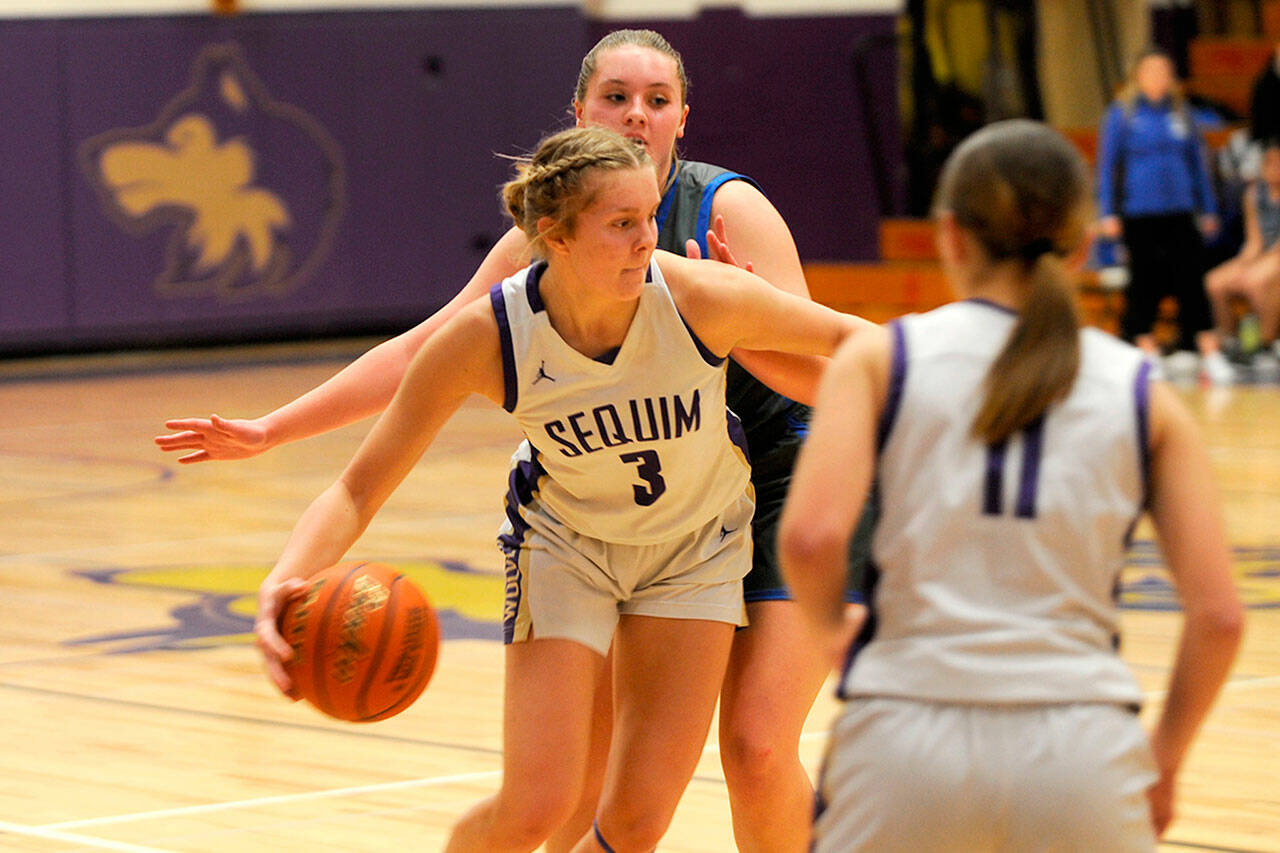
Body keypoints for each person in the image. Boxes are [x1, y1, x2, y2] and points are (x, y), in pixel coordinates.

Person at [158, 29, 859, 851]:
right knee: (555, 802)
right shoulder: (519, 290)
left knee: (751, 746)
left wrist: (742, 327)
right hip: (587, 522)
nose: (636, 116)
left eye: (657, 100)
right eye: (616, 97)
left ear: (681, 120)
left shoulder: (714, 247)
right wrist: (277, 438)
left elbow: (847, 363)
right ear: (577, 123)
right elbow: (416, 365)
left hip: (761, 484)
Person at [779, 120, 1244, 850]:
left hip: (905, 733)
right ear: (1084, 242)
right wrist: (1165, 758)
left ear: (951, 235)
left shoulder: (883, 359)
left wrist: (833, 633)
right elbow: (1219, 616)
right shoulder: (1141, 389)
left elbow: (809, 539)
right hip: (1082, 747)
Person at [1096, 48, 1234, 385]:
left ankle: (1207, 349)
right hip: (1138, 212)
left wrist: (1207, 207)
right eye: (1151, 70)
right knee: (1143, 280)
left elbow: (1197, 164)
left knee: (1191, 278)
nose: (1158, 76)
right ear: (1138, 76)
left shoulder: (1181, 112)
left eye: (1164, 70)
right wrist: (1107, 211)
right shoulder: (1122, 114)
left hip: (1180, 209)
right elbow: (1107, 166)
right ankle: (1147, 350)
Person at [1205, 141, 1280, 375]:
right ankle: (1230, 342)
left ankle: (1264, 344)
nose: (1274, 168)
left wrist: (1256, 268)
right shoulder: (1254, 194)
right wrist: (1244, 263)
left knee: (1256, 281)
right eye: (1269, 163)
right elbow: (1254, 241)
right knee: (1216, 281)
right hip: (1263, 253)